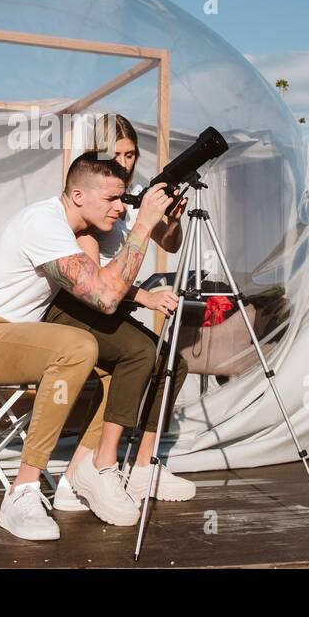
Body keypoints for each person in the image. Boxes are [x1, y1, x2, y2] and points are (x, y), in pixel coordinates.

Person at [0, 151, 174, 540]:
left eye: (124, 198)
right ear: (78, 195)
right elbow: (104, 296)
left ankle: (74, 480)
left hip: (19, 336)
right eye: (112, 199)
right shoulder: (43, 222)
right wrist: (145, 226)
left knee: (126, 359)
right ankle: (23, 491)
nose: (120, 207)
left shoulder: (73, 229)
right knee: (79, 346)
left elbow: (105, 286)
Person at [47, 114, 195, 514]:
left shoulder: (125, 203)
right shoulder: (93, 211)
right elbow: (97, 287)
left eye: (131, 155)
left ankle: (143, 466)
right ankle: (101, 466)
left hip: (111, 304)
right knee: (142, 355)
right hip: (83, 309)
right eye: (118, 155)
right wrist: (145, 297)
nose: (126, 163)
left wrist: (172, 222)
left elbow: (170, 242)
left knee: (172, 365)